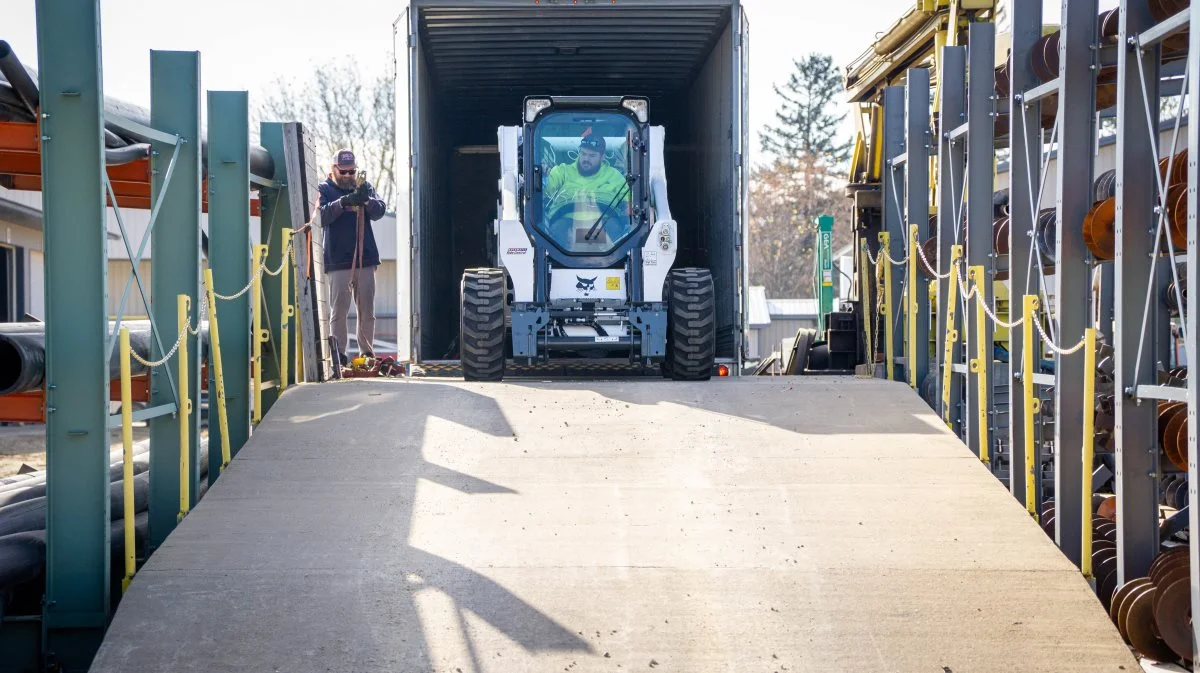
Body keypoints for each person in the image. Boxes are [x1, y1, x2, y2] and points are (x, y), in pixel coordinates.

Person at [318, 149, 386, 365]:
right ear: (334, 169)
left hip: (365, 258)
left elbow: (379, 211)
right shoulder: (324, 189)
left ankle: (367, 353)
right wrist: (343, 203)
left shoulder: (364, 187)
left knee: (367, 310)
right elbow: (320, 217)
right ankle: (339, 355)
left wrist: (366, 201)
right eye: (344, 172)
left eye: (351, 172)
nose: (348, 176)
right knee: (338, 311)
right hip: (338, 260)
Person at [543, 130, 630, 246]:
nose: (586, 159)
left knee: (615, 228)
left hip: (604, 221)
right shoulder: (562, 171)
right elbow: (545, 193)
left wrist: (627, 208)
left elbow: (628, 203)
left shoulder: (615, 176)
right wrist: (542, 177)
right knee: (557, 230)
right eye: (583, 153)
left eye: (592, 155)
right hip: (566, 218)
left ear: (602, 157)